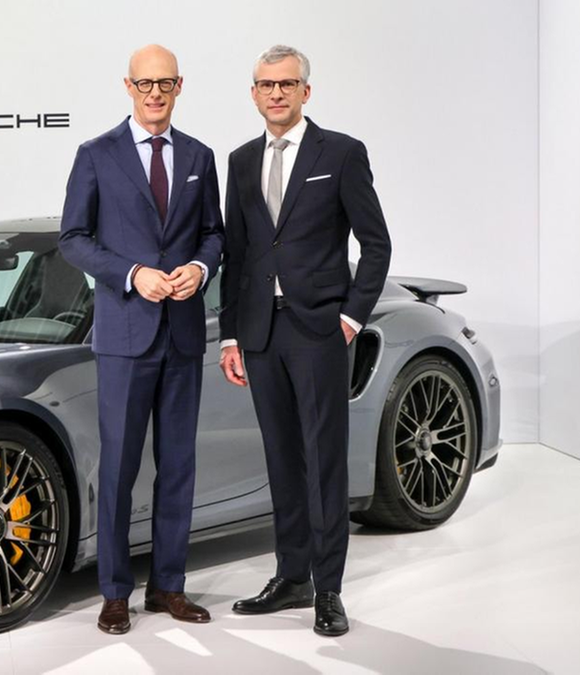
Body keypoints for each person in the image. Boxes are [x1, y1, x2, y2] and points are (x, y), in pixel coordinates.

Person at [218, 45, 391, 637]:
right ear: (254, 93)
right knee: (281, 458)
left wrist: (351, 319)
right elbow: (237, 253)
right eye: (266, 84)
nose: (276, 93)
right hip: (260, 333)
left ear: (305, 92)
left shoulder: (340, 152)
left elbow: (376, 244)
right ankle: (292, 577)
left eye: (287, 84)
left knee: (324, 462)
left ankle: (329, 588)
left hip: (318, 330)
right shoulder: (241, 160)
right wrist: (230, 335)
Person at [59, 44, 224, 635]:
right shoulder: (96, 154)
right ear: (128, 87)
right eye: (145, 84)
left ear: (180, 86)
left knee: (178, 465)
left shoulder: (200, 156)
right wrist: (132, 274)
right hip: (125, 335)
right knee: (120, 468)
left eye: (166, 83)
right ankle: (114, 592)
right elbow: (73, 238)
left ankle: (169, 587)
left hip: (183, 334)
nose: (156, 94)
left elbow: (214, 234)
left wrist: (199, 268)